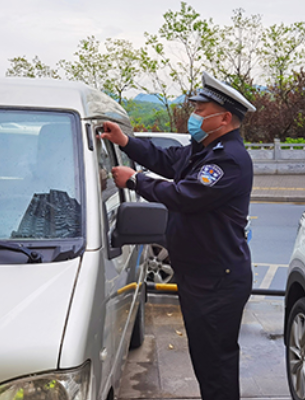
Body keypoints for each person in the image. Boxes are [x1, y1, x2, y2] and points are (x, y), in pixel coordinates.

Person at [101, 71, 256, 400]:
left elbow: (184, 196)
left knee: (217, 363)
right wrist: (125, 142)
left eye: (201, 110)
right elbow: (166, 159)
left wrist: (134, 181)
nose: (194, 116)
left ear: (224, 118)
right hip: (202, 277)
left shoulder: (228, 160)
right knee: (205, 359)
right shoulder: (202, 150)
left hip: (218, 281)